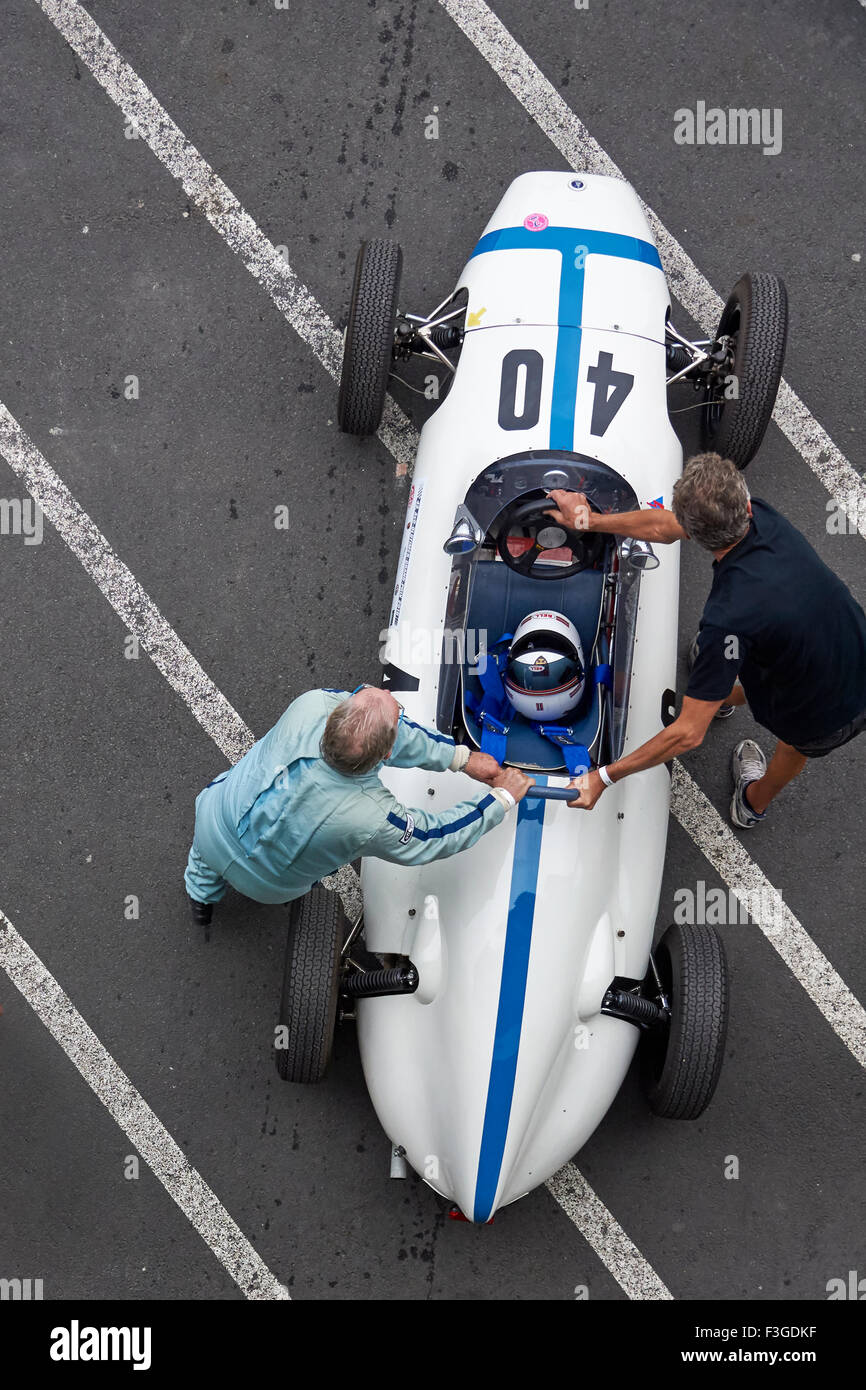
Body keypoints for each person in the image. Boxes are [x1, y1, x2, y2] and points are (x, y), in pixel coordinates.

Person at [546, 453, 866, 827]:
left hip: (829, 714)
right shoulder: (760, 516)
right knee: (763, 663)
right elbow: (662, 527)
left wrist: (603, 777)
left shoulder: (727, 620)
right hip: (844, 643)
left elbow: (686, 735)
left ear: (693, 532)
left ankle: (752, 803)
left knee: (795, 743)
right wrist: (589, 521)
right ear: (744, 502)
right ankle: (722, 696)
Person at [184, 683, 531, 922]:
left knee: (206, 853)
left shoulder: (312, 704)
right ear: (387, 755)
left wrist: (461, 759)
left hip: (212, 824)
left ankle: (200, 894)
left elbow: (378, 732)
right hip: (271, 887)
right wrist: (501, 798)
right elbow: (433, 837)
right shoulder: (373, 818)